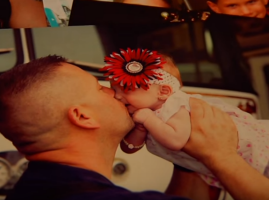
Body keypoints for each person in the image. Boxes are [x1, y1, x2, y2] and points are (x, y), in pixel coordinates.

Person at [0, 55, 269, 200]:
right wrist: (223, 159)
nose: (115, 92)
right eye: (99, 88)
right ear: (82, 117)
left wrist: (193, 157)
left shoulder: (34, 189)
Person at [101, 48, 269, 188]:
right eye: (114, 88)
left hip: (252, 155)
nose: (117, 96)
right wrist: (139, 128)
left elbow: (176, 141)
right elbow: (129, 148)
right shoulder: (144, 112)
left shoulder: (177, 106)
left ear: (164, 92)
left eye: (127, 89)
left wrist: (147, 120)